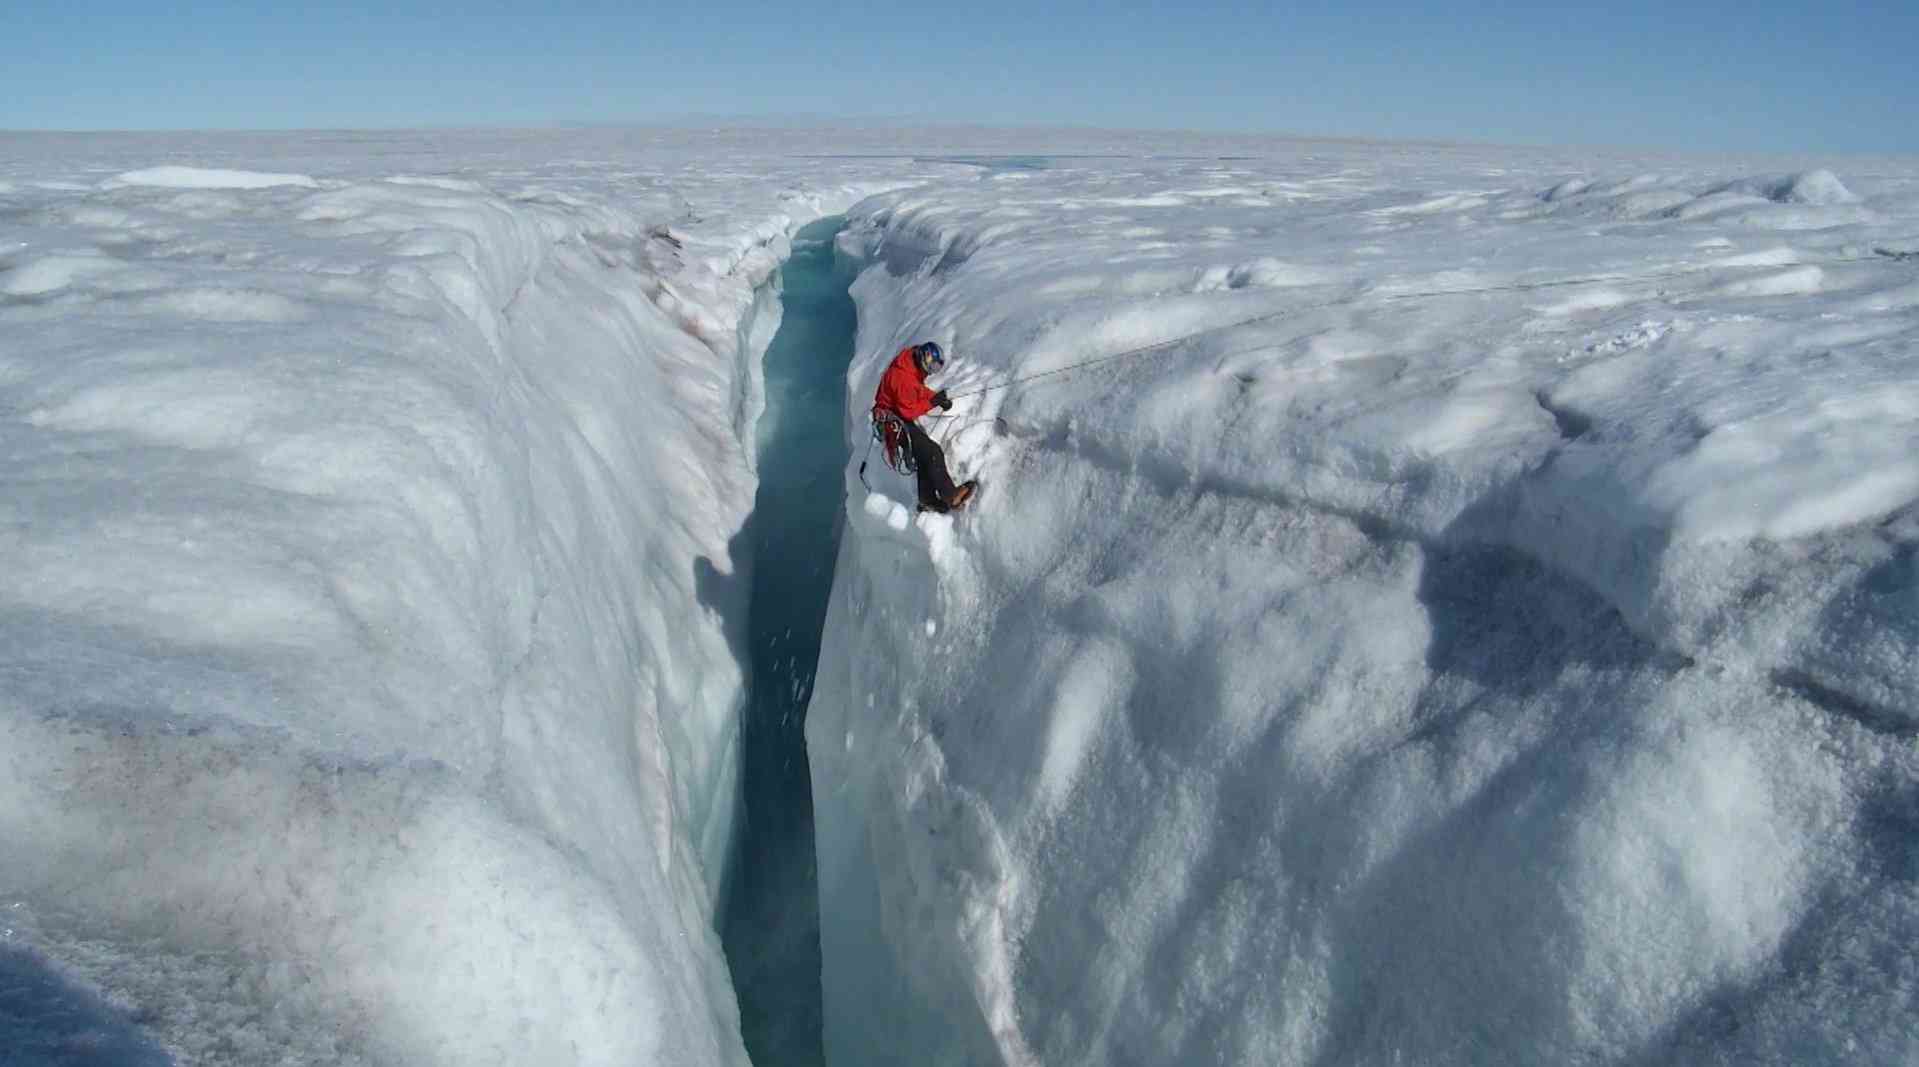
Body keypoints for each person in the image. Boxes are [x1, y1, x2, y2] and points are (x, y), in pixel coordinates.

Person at [872, 341, 977, 512]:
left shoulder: (909, 364)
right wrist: (932, 402)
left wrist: (936, 398)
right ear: (925, 358)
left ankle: (927, 499)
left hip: (896, 415)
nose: (931, 371)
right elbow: (908, 411)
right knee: (932, 451)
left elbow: (916, 390)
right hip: (893, 421)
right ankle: (951, 495)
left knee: (923, 454)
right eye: (932, 366)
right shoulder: (902, 377)